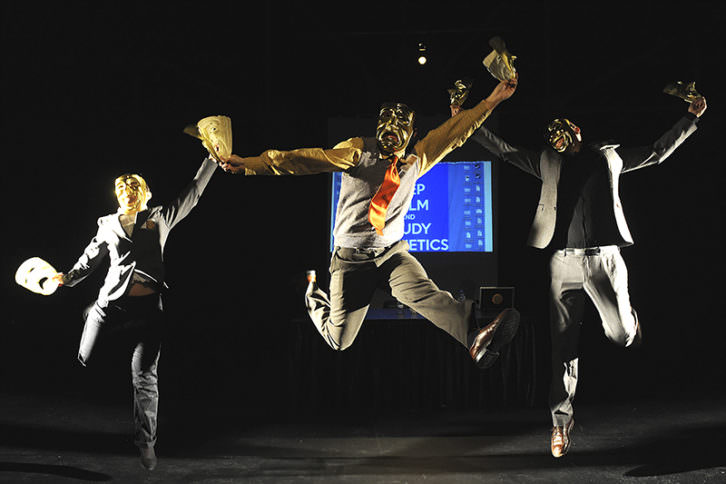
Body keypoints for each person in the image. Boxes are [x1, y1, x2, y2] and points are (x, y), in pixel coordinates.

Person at [465, 92, 707, 457]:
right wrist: (467, 121)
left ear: (576, 130)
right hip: (562, 263)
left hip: (604, 261)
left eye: (563, 132)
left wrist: (689, 119)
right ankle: (560, 423)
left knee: (622, 336)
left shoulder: (608, 156)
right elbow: (504, 150)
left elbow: (657, 152)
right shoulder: (546, 162)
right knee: (562, 347)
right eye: (553, 137)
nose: (558, 140)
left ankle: (630, 323)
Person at [218, 78, 520, 371]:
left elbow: (457, 131)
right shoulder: (358, 151)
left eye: (400, 129)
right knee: (339, 341)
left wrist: (493, 100)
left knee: (425, 293)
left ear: (412, 133)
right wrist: (251, 164)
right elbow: (302, 160)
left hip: (392, 255)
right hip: (352, 261)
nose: (391, 136)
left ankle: (474, 337)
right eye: (386, 126)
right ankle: (311, 291)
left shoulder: (419, 157)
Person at [51, 155, 218, 470]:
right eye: (122, 188)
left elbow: (194, 192)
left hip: (148, 310)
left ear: (147, 193)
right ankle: (92, 313)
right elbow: (90, 258)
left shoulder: (161, 216)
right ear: (117, 196)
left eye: (135, 186)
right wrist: (67, 278)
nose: (128, 191)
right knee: (85, 358)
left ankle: (146, 444)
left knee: (144, 377)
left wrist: (211, 159)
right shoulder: (106, 224)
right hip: (110, 306)